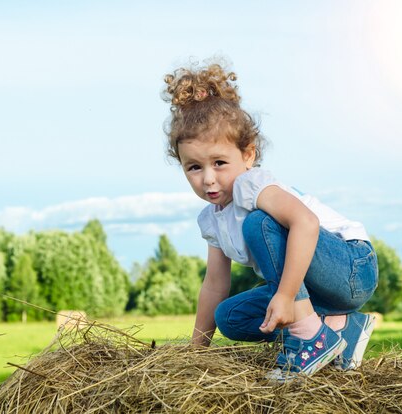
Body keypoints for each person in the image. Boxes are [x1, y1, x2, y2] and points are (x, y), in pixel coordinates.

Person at [161, 61, 378, 382]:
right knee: (230, 316)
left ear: (248, 155)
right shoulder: (211, 220)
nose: (208, 178)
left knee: (258, 224)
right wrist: (196, 353)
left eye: (219, 163)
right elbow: (214, 285)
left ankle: (309, 334)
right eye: (193, 167)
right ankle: (340, 326)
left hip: (352, 266)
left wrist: (287, 297)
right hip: (315, 288)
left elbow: (306, 223)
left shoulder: (253, 185)